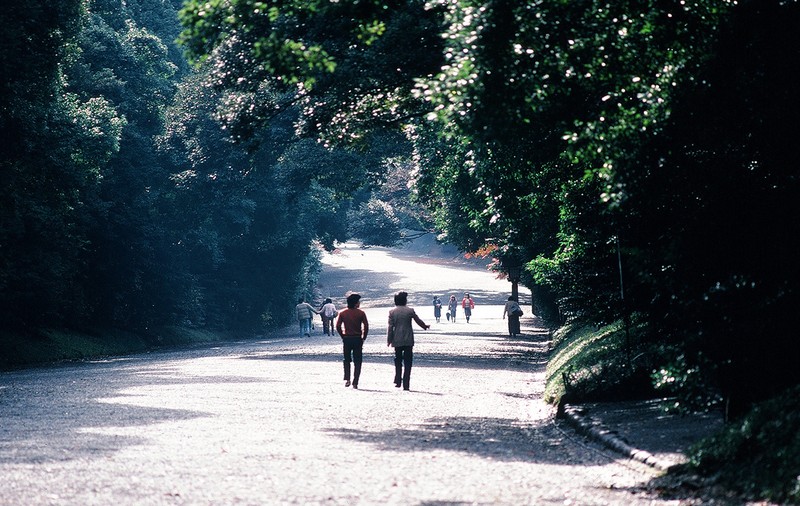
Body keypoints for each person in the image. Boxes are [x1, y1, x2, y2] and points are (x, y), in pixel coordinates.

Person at [387, 291, 430, 391]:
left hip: (397, 339)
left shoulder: (392, 312)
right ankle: (406, 383)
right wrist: (425, 326)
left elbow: (390, 327)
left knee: (397, 359)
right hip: (408, 339)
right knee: (408, 361)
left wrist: (389, 339)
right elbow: (418, 320)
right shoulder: (410, 310)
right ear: (405, 300)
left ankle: (398, 379)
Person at [335, 293, 369, 388]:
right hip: (357, 338)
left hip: (347, 338)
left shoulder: (343, 313)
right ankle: (355, 381)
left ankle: (347, 379)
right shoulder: (361, 313)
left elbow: (338, 326)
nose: (359, 303)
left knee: (346, 359)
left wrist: (342, 335)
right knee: (358, 360)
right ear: (355, 303)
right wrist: (364, 337)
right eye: (358, 302)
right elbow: (366, 326)